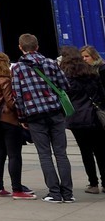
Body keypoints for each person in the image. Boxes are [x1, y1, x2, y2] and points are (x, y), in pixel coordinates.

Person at [11, 32, 74, 202]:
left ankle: (54, 193)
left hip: (34, 116)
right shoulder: (51, 63)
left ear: (20, 47)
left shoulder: (18, 68)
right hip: (55, 112)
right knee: (61, 153)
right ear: (37, 46)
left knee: (44, 154)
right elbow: (65, 85)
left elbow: (18, 96)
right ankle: (68, 193)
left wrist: (22, 118)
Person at [0, 51, 32, 197]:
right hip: (9, 121)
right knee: (14, 155)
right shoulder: (5, 80)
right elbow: (10, 103)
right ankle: (17, 189)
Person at [60, 46, 105, 194]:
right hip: (94, 116)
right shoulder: (92, 73)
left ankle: (93, 183)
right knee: (100, 150)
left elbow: (65, 98)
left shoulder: (67, 78)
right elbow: (102, 95)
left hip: (77, 119)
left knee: (85, 152)